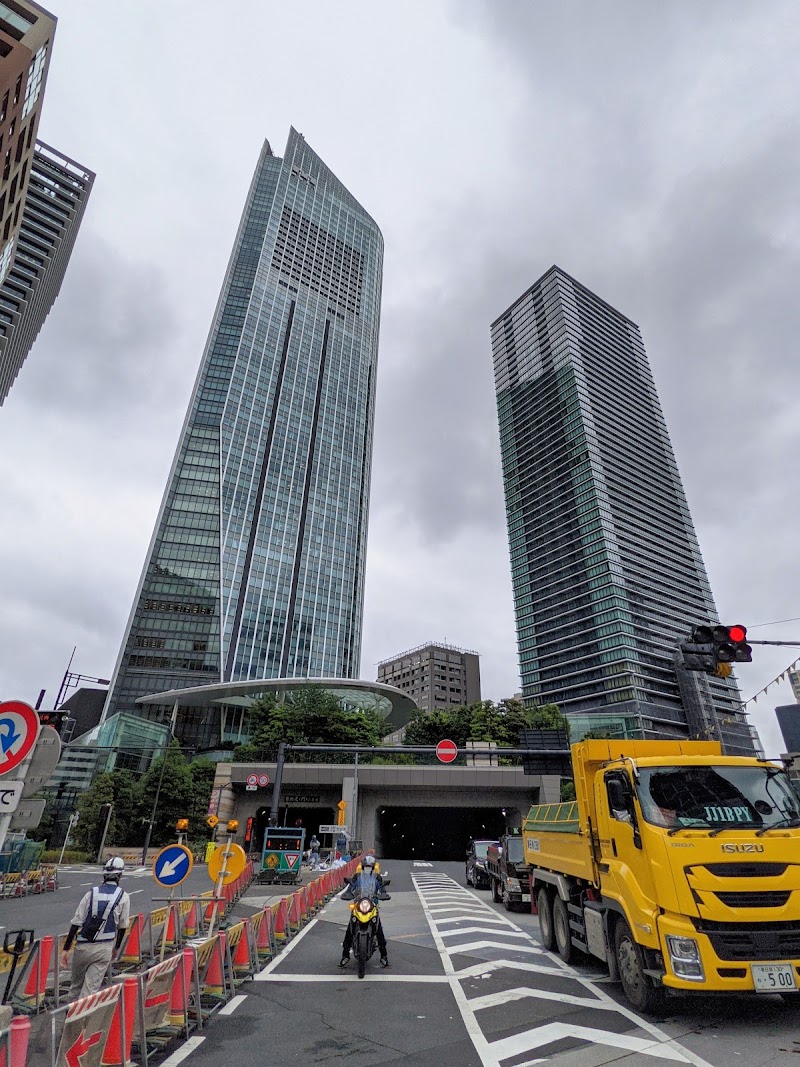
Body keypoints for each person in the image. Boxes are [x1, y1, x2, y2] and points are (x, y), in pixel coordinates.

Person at [61, 856, 131, 1000]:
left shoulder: (90, 893)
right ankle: (82, 1020)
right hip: (104, 948)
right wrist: (116, 948)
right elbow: (123, 926)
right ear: (120, 876)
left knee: (75, 989)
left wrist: (66, 949)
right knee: (89, 992)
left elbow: (76, 922)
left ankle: (69, 1018)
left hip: (82, 947)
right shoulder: (123, 896)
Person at [340, 854, 388, 968]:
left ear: (373, 867)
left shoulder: (377, 877)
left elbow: (382, 888)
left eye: (370, 866)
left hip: (372, 905)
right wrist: (348, 894)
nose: (368, 868)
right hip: (359, 904)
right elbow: (351, 887)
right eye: (366, 866)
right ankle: (345, 955)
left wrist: (384, 894)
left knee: (379, 931)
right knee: (349, 930)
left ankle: (384, 956)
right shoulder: (357, 877)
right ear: (362, 866)